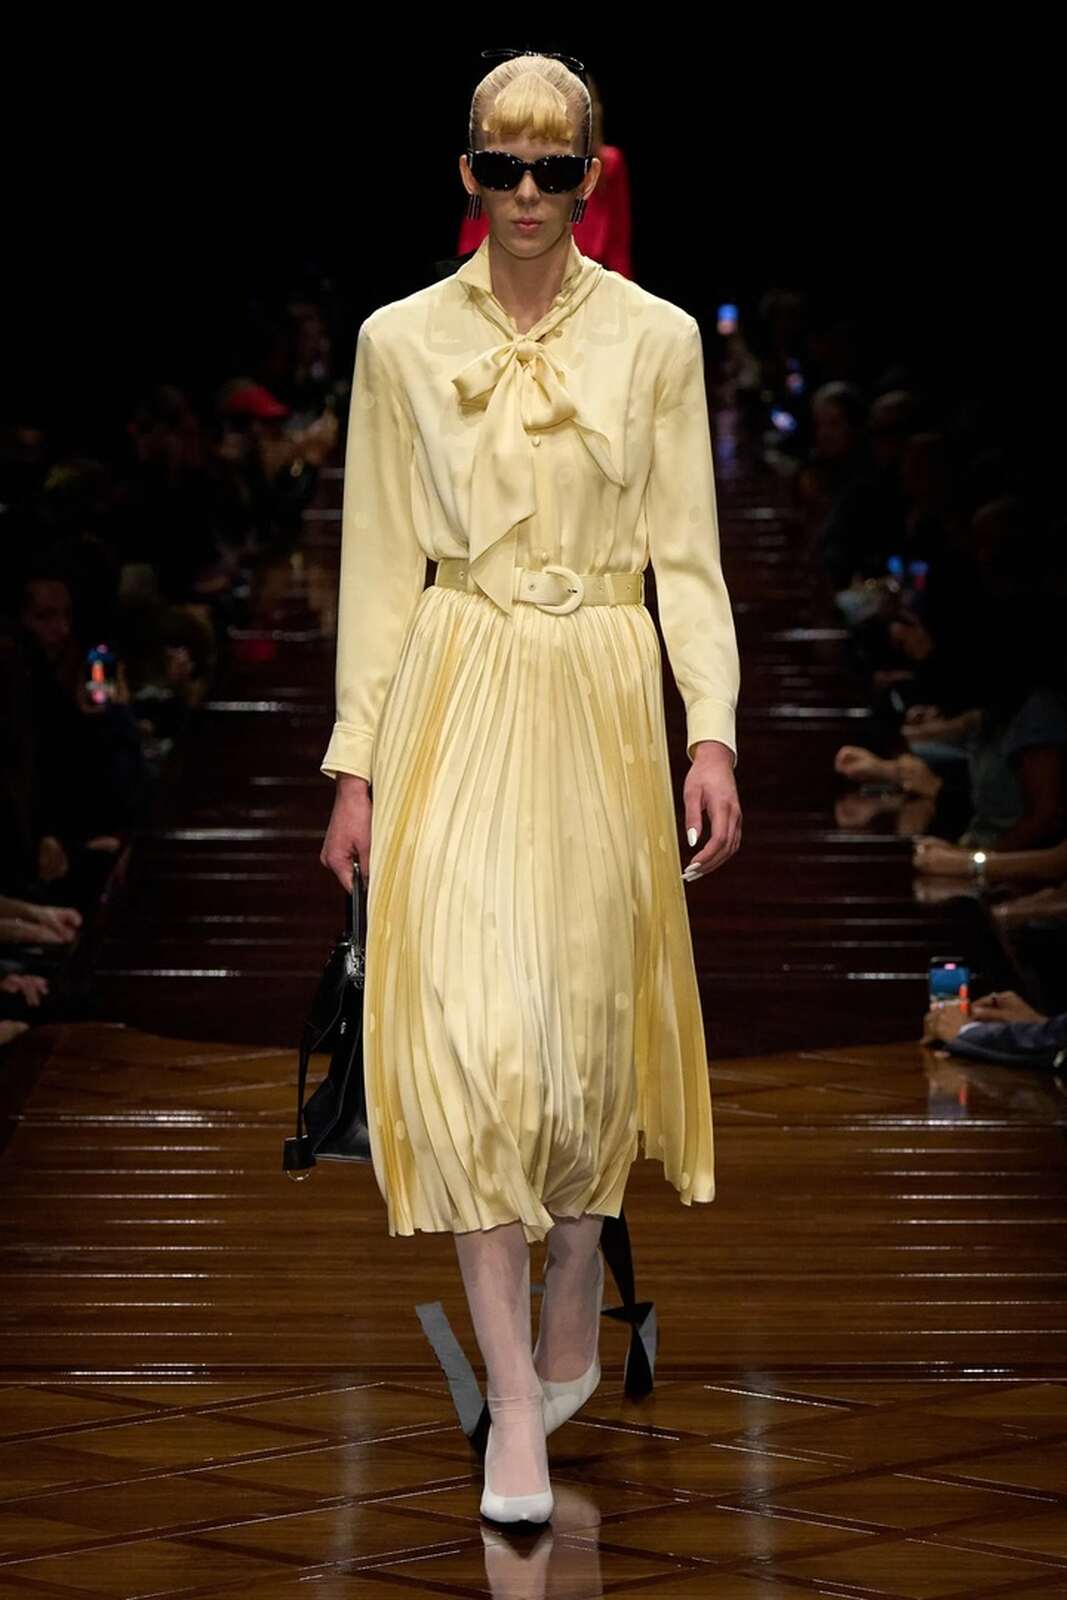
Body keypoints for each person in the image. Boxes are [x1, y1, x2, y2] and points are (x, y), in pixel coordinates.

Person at [318, 49, 742, 1528]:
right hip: (455, 682)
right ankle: (514, 1403)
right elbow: (379, 564)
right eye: (501, 166)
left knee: (584, 1040)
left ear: (589, 178)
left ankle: (577, 1264)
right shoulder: (396, 342)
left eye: (554, 169)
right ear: (468, 174)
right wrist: (355, 766)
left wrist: (711, 732)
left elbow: (689, 551)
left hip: (601, 695)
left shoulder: (659, 339)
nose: (526, 194)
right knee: (473, 1041)